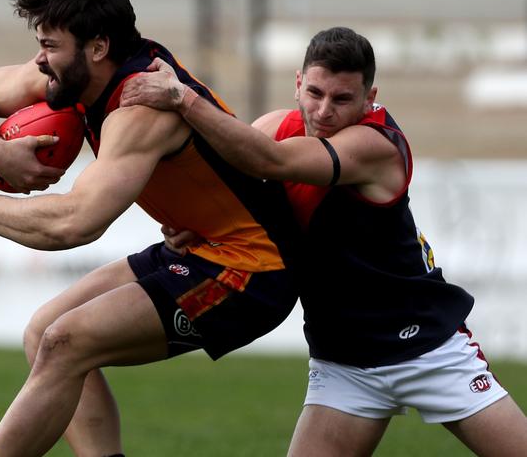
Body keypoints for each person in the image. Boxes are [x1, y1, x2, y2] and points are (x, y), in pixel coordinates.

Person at [0, 0, 302, 456]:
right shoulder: (72, 73)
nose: (40, 60)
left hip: (252, 269)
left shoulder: (141, 107)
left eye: (51, 45)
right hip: (202, 247)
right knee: (44, 332)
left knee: (66, 341)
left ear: (98, 47)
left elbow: (76, 223)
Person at [120, 26, 527, 456]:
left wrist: (183, 97)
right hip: (344, 362)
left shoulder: (376, 146)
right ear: (297, 83)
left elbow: (267, 160)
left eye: (342, 99)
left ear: (370, 97)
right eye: (315, 93)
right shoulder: (276, 126)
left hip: (427, 348)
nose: (325, 110)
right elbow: (231, 193)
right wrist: (198, 227)